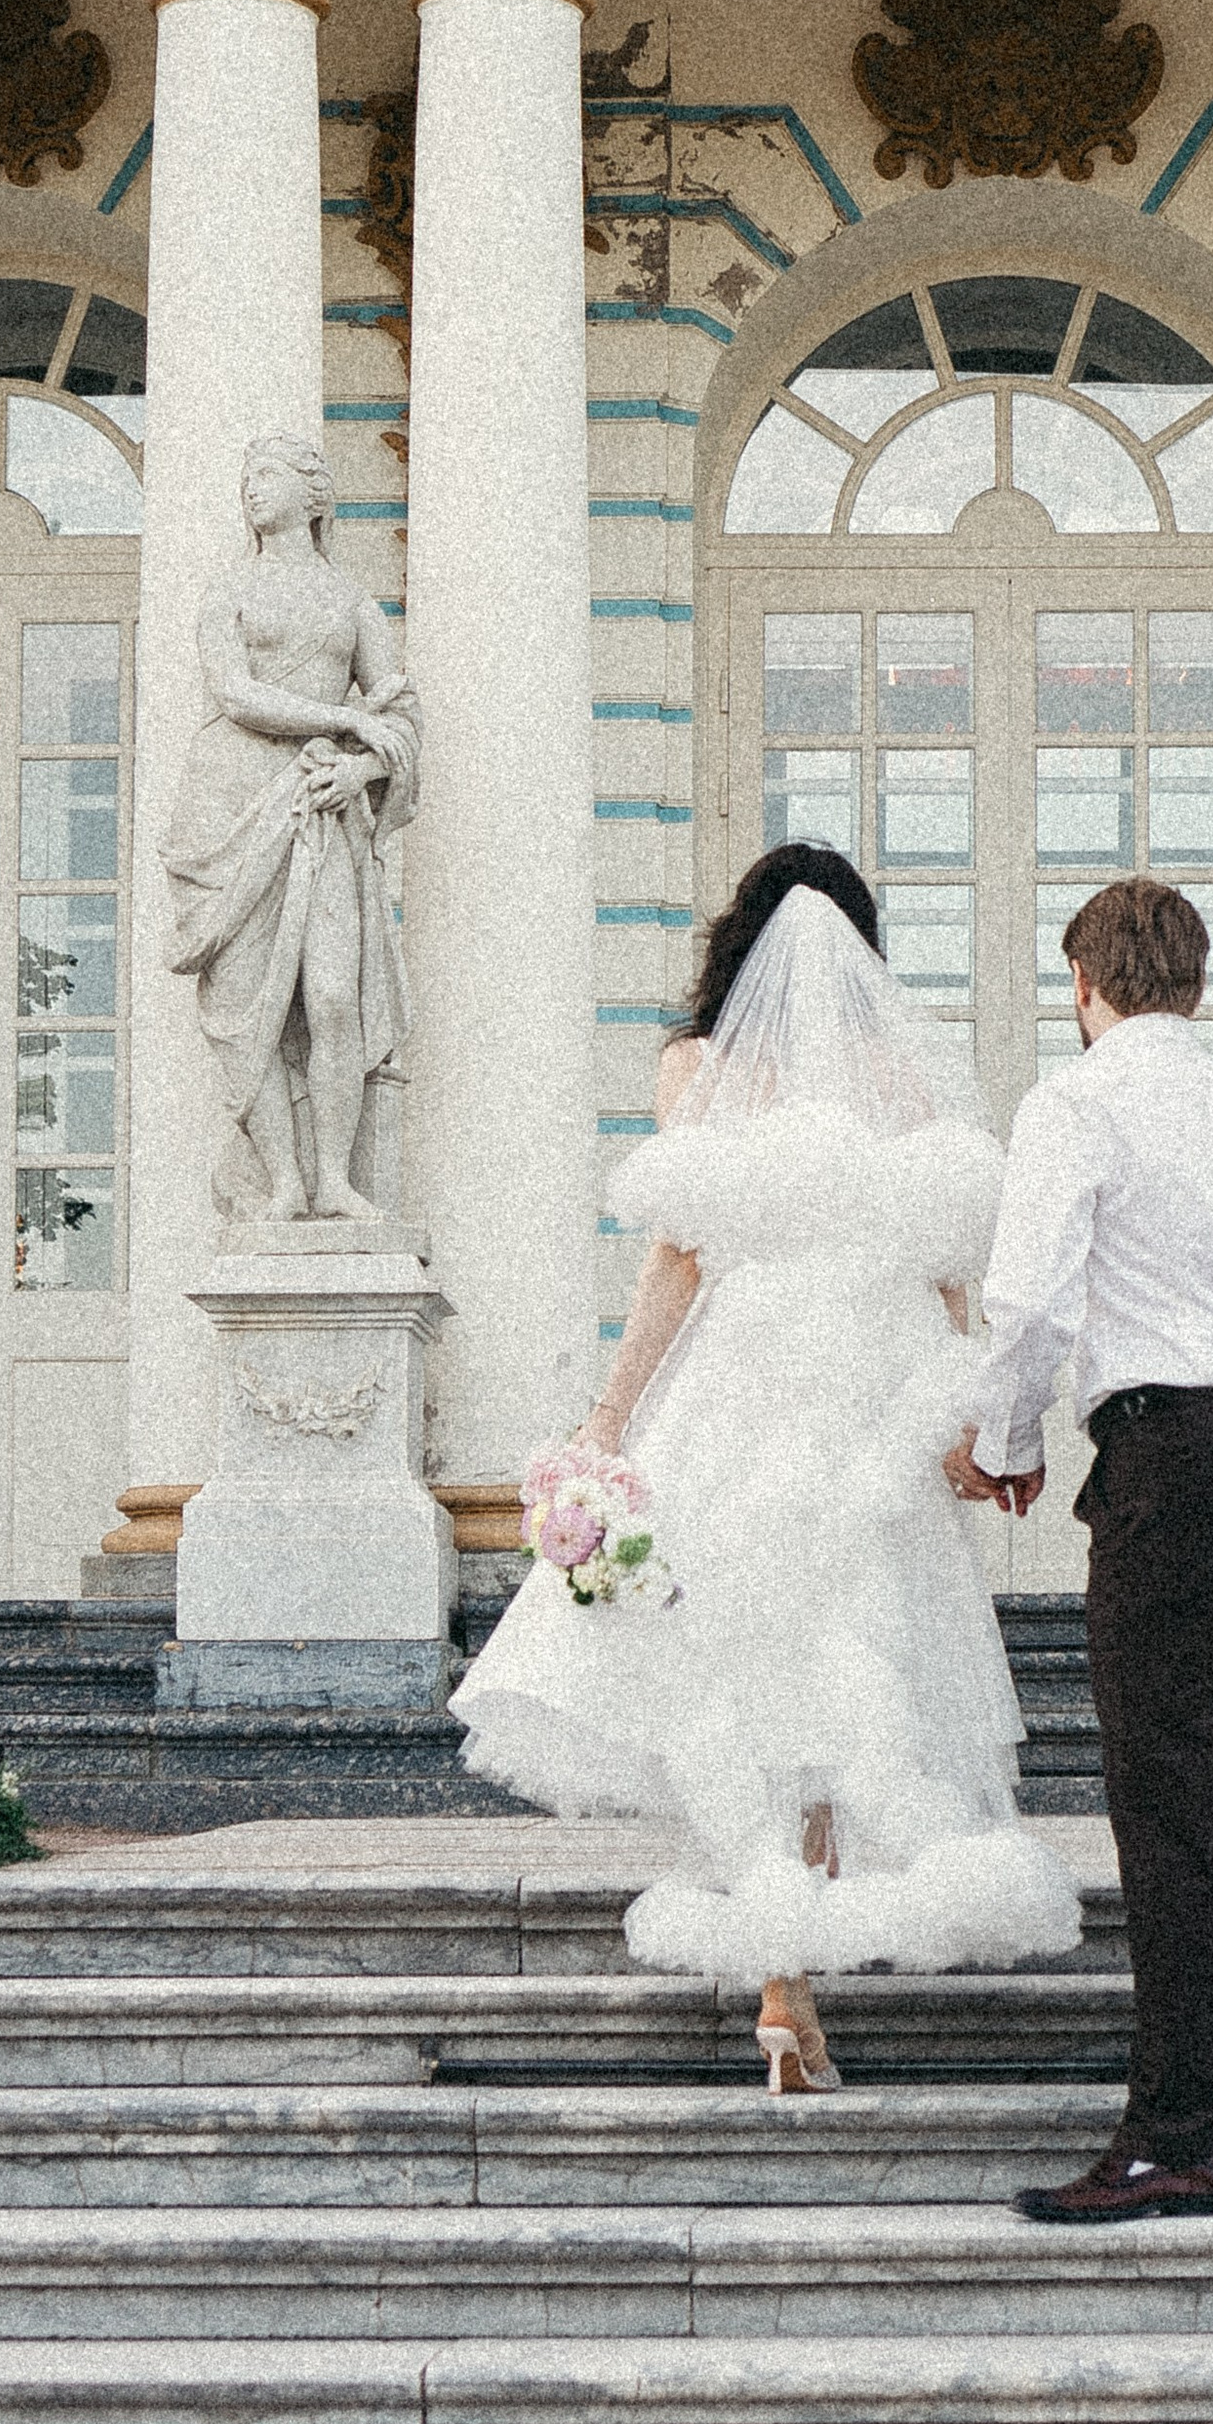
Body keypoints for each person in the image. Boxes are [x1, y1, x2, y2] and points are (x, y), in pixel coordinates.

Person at [449, 842, 1081, 2090]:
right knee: (855, 1661)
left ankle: (782, 1976)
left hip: (742, 1388)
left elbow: (676, 1261)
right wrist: (975, 1422)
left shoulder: (698, 1066)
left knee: (744, 1673)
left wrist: (609, 1419)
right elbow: (949, 1269)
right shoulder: (902, 1070)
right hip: (868, 1392)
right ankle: (793, 1987)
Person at [948, 875, 1213, 2226]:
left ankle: (1174, 2138)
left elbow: (1029, 1302)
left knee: (1161, 1791)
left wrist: (1004, 1441)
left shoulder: (1076, 1104)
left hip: (1180, 1458)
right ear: (1194, 983)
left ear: (1084, 987)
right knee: (1201, 1743)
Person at [161, 431, 421, 1228]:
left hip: (322, 804)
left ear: (314, 495)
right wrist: (344, 720)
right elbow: (235, 694)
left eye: (268, 474)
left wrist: (361, 772)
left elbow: (402, 716)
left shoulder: (352, 603)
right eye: (247, 476)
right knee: (251, 1013)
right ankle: (283, 1183)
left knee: (334, 997)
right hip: (231, 801)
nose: (252, 488)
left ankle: (334, 1179)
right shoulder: (228, 593)